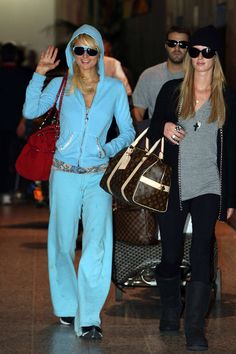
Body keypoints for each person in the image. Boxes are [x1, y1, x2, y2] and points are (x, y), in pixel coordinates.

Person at [22, 24, 135, 339]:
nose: (85, 56)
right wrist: (39, 73)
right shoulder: (60, 85)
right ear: (72, 52)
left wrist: (106, 148)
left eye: (91, 50)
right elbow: (30, 109)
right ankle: (67, 305)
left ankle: (89, 317)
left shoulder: (113, 88)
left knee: (97, 246)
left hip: (97, 177)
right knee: (62, 242)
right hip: (64, 175)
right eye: (79, 49)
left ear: (100, 54)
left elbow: (126, 131)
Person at [147, 25, 236, 351]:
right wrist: (165, 126)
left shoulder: (227, 98)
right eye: (194, 51)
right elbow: (155, 127)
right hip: (173, 183)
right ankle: (171, 307)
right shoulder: (172, 90)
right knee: (170, 255)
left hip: (209, 185)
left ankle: (195, 328)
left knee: (202, 250)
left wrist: (230, 197)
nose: (199, 57)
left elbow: (232, 152)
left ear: (216, 57)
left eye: (206, 52)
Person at [132, 25, 190, 122]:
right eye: (172, 43)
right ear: (166, 45)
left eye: (182, 44)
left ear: (188, 47)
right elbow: (138, 111)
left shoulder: (197, 76)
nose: (177, 48)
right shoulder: (148, 75)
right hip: (156, 135)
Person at [0, 42, 31, 204]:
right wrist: (23, 122)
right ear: (17, 57)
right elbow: (29, 101)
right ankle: (9, 192)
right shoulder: (24, 76)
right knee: (13, 159)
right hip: (16, 124)